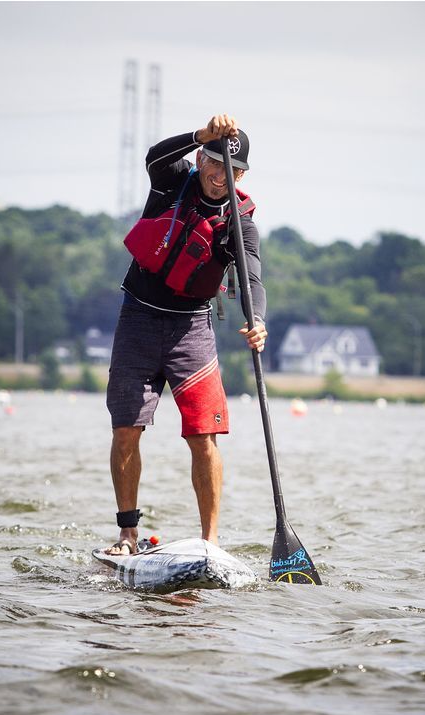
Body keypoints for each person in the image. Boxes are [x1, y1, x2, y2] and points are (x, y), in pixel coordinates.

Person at [103, 113, 267, 555]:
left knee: (203, 435)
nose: (220, 177)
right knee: (126, 431)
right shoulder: (172, 181)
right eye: (214, 163)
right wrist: (201, 133)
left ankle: (209, 542)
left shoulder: (239, 222)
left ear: (243, 176)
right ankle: (127, 534)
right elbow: (155, 156)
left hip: (191, 329)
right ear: (201, 158)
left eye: (232, 172)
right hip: (138, 319)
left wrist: (259, 321)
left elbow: (251, 276)